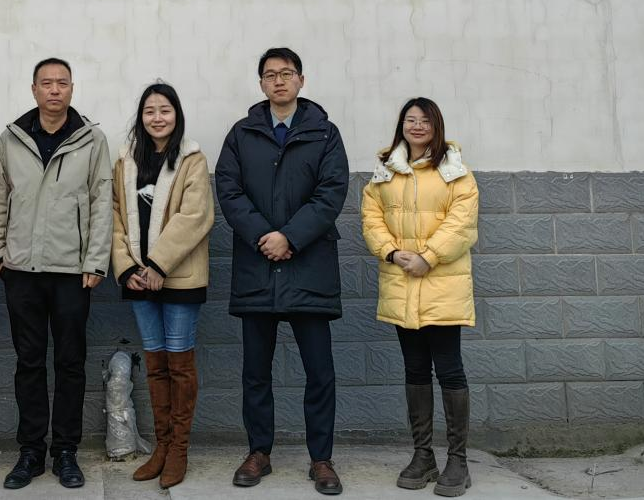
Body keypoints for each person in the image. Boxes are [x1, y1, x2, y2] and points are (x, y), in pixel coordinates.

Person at [215, 47, 349, 496]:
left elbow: (331, 193)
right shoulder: (242, 134)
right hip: (258, 268)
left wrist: (290, 237)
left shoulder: (325, 133)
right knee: (256, 372)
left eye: (287, 73)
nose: (279, 81)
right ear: (261, 84)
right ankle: (259, 452)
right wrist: (264, 236)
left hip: (309, 267)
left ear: (301, 80)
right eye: (270, 75)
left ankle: (321, 458)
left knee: (319, 372)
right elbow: (229, 191)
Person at [0, 58, 113, 490]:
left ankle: (66, 452)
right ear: (34, 89)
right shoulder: (12, 138)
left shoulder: (91, 139)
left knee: (70, 362)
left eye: (62, 83)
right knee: (29, 362)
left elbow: (102, 201)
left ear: (72, 88)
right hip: (22, 270)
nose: (54, 90)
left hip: (72, 272)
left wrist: (95, 261)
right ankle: (30, 452)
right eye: (47, 83)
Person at [361, 98, 479, 497]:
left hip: (443, 283)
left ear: (436, 126)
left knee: (449, 368)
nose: (416, 126)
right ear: (401, 126)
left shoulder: (455, 171)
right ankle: (423, 455)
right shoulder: (386, 170)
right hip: (401, 281)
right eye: (409, 120)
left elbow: (462, 223)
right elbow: (371, 218)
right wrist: (392, 253)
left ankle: (458, 460)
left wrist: (428, 257)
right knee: (414, 369)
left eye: (424, 120)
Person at [110, 83, 214, 489]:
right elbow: (115, 215)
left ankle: (179, 450)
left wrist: (158, 264)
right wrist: (126, 268)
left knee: (179, 364)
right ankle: (162, 445)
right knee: (155, 364)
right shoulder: (126, 161)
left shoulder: (192, 159)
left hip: (179, 277)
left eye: (165, 110)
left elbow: (196, 216)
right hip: (138, 278)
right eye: (149, 111)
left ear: (177, 115)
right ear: (141, 117)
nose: (157, 118)